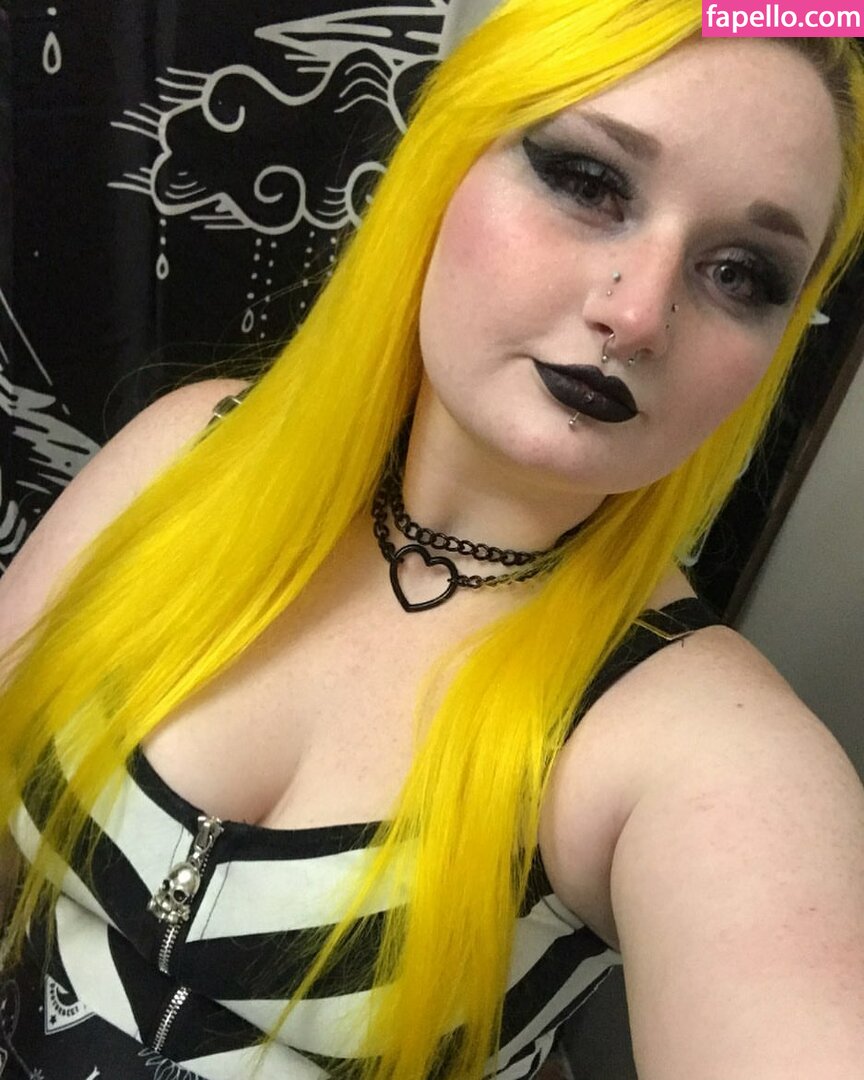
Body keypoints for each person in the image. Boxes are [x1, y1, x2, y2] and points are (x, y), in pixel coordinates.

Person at [1, 2, 863, 1077]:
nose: (640, 314)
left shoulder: (698, 744)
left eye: (741, 273)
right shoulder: (192, 451)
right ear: (442, 163)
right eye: (589, 181)